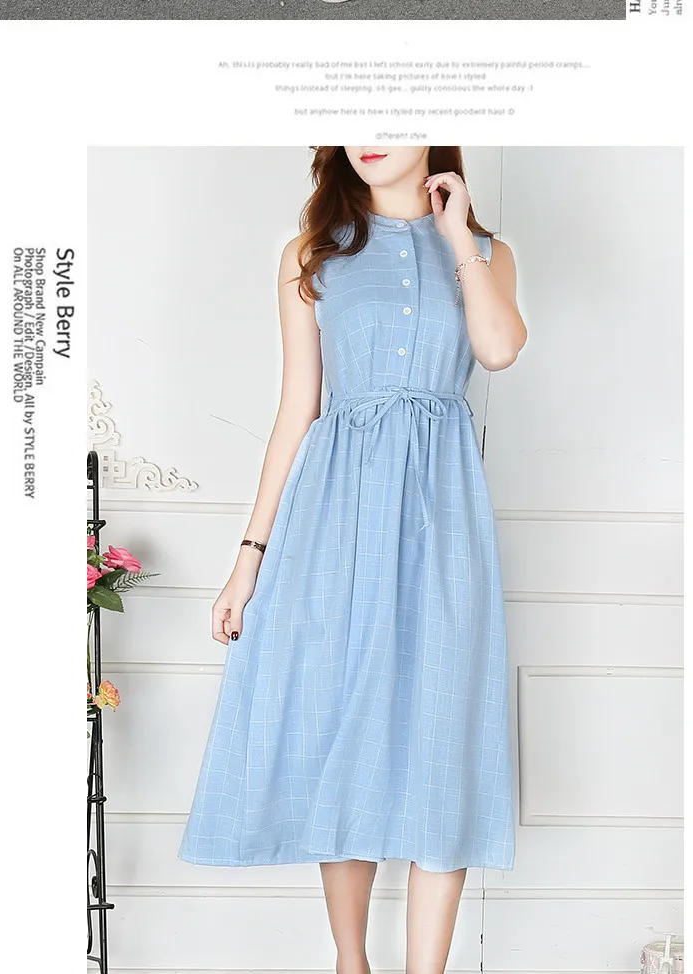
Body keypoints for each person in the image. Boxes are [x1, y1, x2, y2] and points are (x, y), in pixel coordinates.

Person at [179, 145, 527, 974]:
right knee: (345, 728)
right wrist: (248, 558)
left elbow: (498, 349)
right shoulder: (313, 253)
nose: (370, 136)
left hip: (444, 518)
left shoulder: (487, 251)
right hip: (334, 517)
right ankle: (350, 962)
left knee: (442, 736)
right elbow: (297, 406)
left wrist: (459, 241)